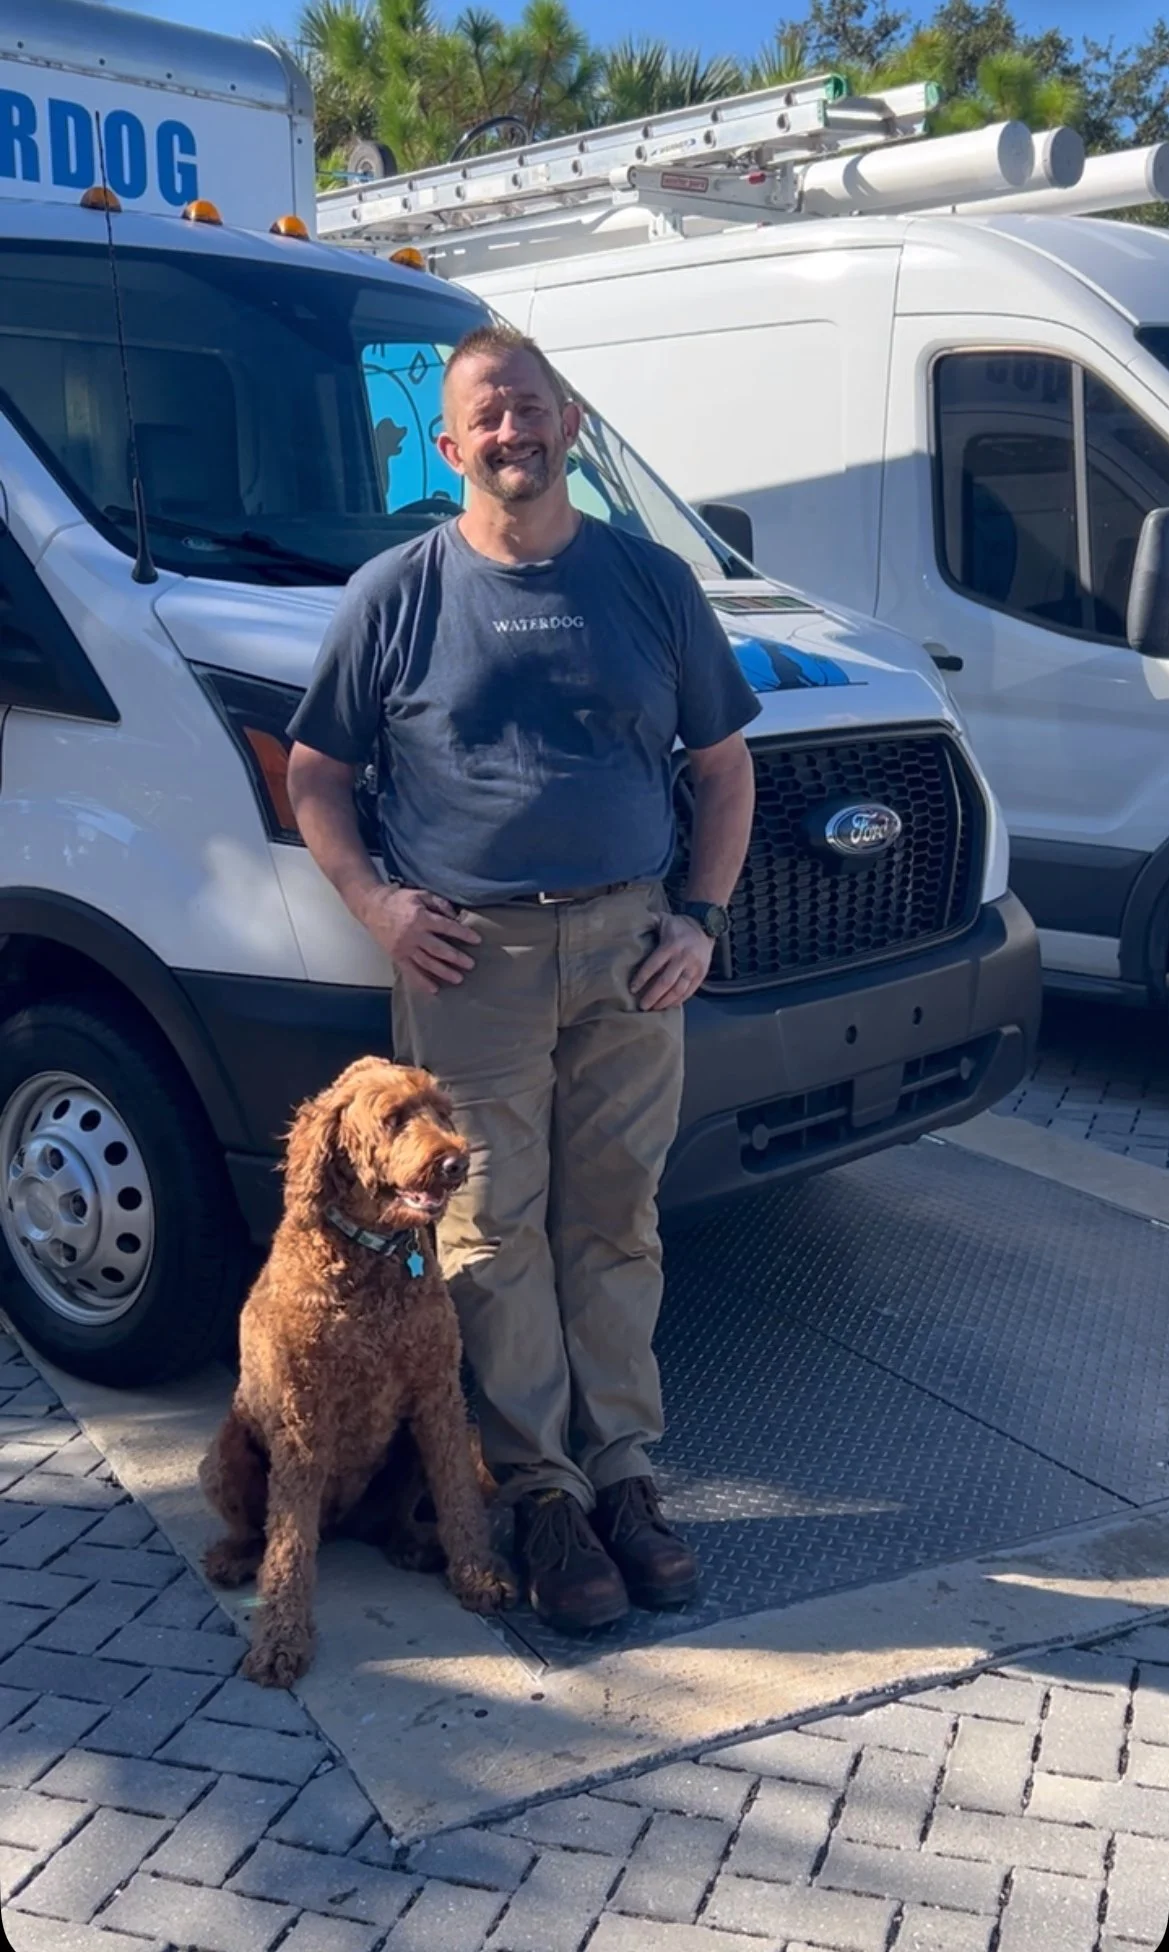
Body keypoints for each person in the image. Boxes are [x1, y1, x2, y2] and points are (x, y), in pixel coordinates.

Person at [286, 323, 760, 1635]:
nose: (513, 433)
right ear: (447, 448)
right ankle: (540, 1493)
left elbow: (722, 770)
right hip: (470, 963)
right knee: (486, 1237)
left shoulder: (653, 582)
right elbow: (315, 772)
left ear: (571, 422)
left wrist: (700, 919)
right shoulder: (396, 593)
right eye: (486, 417)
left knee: (616, 1223)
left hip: (629, 950)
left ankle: (624, 1477)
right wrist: (378, 903)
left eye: (532, 408)